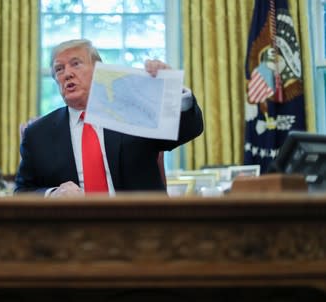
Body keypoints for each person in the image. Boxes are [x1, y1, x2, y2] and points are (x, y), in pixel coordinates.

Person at [14, 39, 203, 197]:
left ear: (99, 69)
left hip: (140, 229)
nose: (67, 74)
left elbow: (189, 129)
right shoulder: (38, 134)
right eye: (59, 69)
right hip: (72, 234)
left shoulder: (134, 111)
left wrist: (173, 90)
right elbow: (22, 192)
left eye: (76, 64)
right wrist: (52, 195)